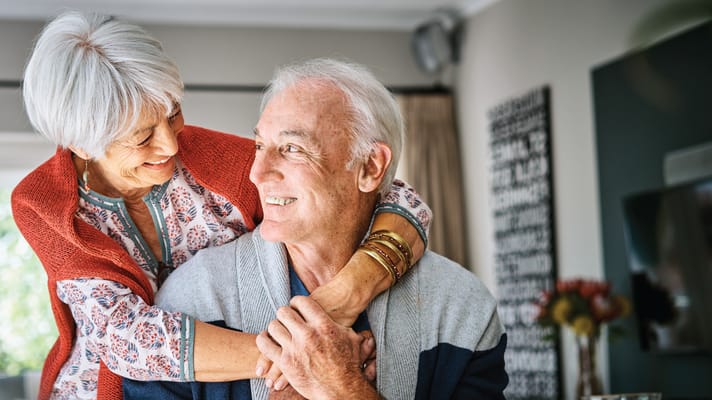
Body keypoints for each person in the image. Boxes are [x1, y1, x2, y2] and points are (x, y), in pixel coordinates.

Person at [11, 12, 432, 400]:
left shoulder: (223, 162)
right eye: (142, 137)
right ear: (81, 144)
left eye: (173, 113)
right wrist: (305, 356)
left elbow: (397, 199)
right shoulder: (43, 205)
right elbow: (126, 337)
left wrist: (339, 303)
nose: (171, 144)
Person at [126, 58, 508, 399]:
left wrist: (343, 387)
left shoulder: (461, 309)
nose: (257, 172)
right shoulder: (190, 301)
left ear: (370, 167)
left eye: (292, 148)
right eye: (259, 145)